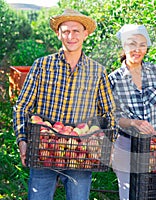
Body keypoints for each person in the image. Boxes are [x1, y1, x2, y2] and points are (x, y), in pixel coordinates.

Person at [13, 9, 115, 200]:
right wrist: (22, 140)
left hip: (81, 153)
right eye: (66, 31)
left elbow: (109, 112)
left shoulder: (97, 71)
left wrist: (110, 145)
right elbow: (22, 107)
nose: (71, 36)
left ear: (85, 34)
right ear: (58, 34)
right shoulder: (42, 66)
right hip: (44, 150)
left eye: (76, 31)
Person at [109, 24, 156, 200]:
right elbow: (112, 117)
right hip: (126, 144)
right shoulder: (113, 79)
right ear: (124, 46)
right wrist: (133, 123)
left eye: (142, 45)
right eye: (132, 44)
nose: (137, 49)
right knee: (129, 193)